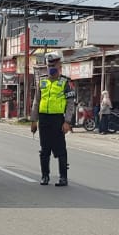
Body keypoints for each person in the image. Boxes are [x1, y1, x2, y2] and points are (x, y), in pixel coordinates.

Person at [29, 52, 75, 186]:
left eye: (53, 65)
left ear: (59, 66)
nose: (51, 68)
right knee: (44, 150)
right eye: (49, 65)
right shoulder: (42, 81)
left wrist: (67, 122)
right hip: (44, 119)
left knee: (60, 150)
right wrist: (33, 120)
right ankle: (45, 176)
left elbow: (70, 104)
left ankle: (63, 178)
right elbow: (36, 101)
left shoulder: (65, 82)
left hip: (58, 120)